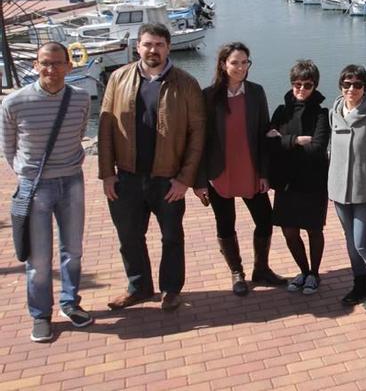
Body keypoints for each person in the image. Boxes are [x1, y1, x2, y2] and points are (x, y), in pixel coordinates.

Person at [99, 23, 205, 312]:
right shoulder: (118, 79)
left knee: (171, 236)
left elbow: (198, 134)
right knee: (129, 237)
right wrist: (107, 173)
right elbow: (106, 128)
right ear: (138, 46)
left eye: (159, 44)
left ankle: (171, 289)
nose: (153, 50)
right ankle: (139, 287)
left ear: (168, 47)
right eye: (147, 44)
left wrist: (185, 179)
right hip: (128, 177)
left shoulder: (186, 83)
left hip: (168, 179)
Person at [1, 42, 92, 342]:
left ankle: (70, 303)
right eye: (45, 63)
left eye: (57, 63)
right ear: (36, 65)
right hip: (35, 186)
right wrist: (28, 176)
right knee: (38, 259)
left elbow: (78, 134)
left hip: (72, 181)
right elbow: (8, 148)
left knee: (73, 250)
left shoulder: (80, 99)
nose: (51, 69)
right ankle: (41, 315)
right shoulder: (14, 103)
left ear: (68, 65)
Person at [194, 42, 285, 297]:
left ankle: (261, 269)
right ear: (224, 64)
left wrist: (265, 173)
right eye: (235, 62)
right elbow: (199, 141)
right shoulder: (208, 96)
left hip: (251, 170)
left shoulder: (256, 93)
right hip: (219, 173)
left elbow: (264, 134)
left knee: (265, 220)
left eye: (245, 62)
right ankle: (237, 272)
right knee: (225, 224)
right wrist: (200, 181)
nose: (241, 67)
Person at [328, 65, 366, 310]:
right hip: (339, 191)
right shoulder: (334, 111)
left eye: (357, 84)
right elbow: (331, 149)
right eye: (347, 84)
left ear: (365, 87)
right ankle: (359, 283)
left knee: (363, 242)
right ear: (340, 86)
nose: (351, 89)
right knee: (351, 242)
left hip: (364, 192)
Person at [267, 60, 330, 295]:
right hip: (286, 183)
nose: (301, 89)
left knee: (314, 230)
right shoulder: (281, 111)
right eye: (297, 84)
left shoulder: (321, 113)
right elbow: (268, 144)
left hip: (313, 182)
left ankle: (314, 273)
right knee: (289, 232)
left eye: (307, 84)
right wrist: (296, 140)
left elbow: (318, 147)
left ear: (315, 85)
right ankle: (303, 271)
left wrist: (283, 141)